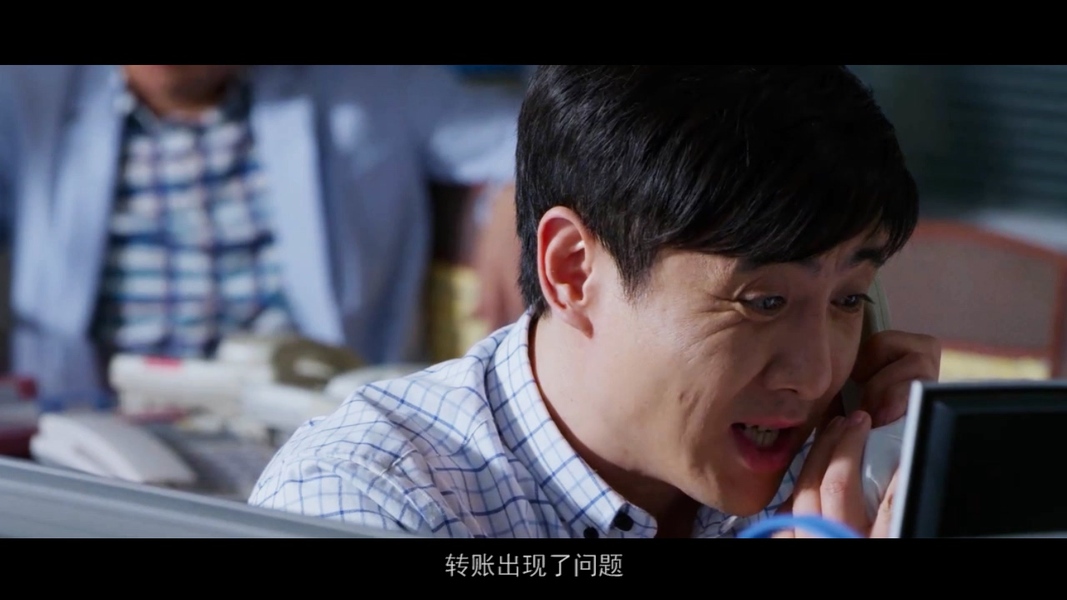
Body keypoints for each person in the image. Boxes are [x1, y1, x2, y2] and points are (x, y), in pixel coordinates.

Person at [248, 65, 941, 538]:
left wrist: (927, 475)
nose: (814, 375)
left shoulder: (843, 475)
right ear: (573, 270)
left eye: (848, 299)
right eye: (763, 302)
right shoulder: (366, 500)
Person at [0, 65, 522, 393]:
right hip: (98, 435)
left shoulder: (369, 82)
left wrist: (517, 193)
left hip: (305, 426)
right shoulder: (28, 92)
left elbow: (528, 137)